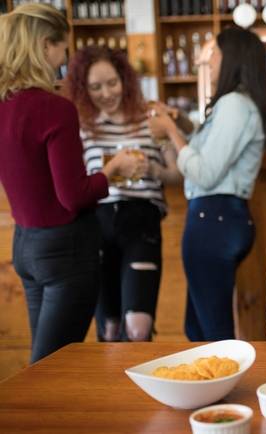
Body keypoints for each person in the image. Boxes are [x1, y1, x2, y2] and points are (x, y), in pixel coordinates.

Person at [0, 4, 139, 362]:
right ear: (46, 46)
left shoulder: (5, 105)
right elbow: (74, 196)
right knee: (52, 366)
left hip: (25, 245)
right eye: (63, 47)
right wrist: (113, 169)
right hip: (66, 250)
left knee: (43, 361)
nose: (65, 56)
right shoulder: (55, 108)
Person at [151, 27, 266, 341]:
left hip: (213, 220)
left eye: (214, 53)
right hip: (221, 218)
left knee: (212, 332)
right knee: (198, 328)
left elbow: (204, 173)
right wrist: (180, 125)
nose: (209, 61)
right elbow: (208, 154)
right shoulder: (239, 104)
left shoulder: (234, 103)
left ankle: (225, 389)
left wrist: (169, 131)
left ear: (231, 57)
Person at [64, 46, 183, 342]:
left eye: (112, 83)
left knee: (138, 329)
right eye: (95, 87)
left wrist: (153, 171)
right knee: (109, 329)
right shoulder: (81, 126)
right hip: (97, 224)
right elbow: (74, 185)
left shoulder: (150, 118)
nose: (106, 93)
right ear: (83, 89)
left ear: (125, 80)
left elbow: (179, 174)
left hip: (142, 222)